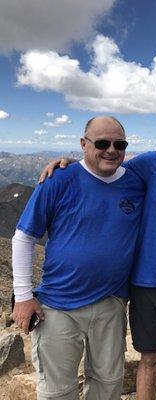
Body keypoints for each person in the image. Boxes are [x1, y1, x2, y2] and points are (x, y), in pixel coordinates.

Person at [39, 110, 156, 400]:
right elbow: (107, 166)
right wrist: (68, 165)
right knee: (151, 357)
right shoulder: (153, 163)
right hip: (148, 282)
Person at [12, 116, 145, 400]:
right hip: (58, 306)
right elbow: (24, 237)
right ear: (83, 144)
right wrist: (23, 295)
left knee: (108, 385)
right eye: (101, 143)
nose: (111, 149)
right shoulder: (58, 179)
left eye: (119, 144)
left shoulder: (135, 181)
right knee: (58, 391)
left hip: (110, 303)